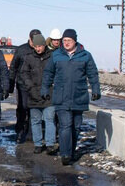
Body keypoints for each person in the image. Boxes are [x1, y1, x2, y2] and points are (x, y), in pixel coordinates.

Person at [41, 29, 100, 165]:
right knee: (65, 125)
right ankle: (65, 153)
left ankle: (71, 151)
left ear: (75, 41)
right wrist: (45, 89)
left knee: (76, 126)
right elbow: (48, 73)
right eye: (64, 40)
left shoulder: (85, 55)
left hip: (79, 95)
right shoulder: (56, 55)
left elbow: (92, 74)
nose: (66, 43)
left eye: (69, 40)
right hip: (61, 96)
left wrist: (96, 89)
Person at [20, 34, 57, 155]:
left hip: (49, 94)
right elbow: (24, 73)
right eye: (36, 46)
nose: (38, 49)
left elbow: (57, 72)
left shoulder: (52, 57)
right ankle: (38, 144)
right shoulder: (29, 57)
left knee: (49, 119)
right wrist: (29, 85)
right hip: (33, 93)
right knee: (35, 120)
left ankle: (50, 144)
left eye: (40, 46)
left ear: (44, 45)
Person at [8, 29, 41, 143]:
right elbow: (13, 67)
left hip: (36, 85)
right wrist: (10, 85)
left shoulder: (41, 50)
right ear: (30, 39)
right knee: (22, 108)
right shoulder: (21, 50)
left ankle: (31, 133)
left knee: (34, 108)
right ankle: (20, 129)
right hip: (22, 85)